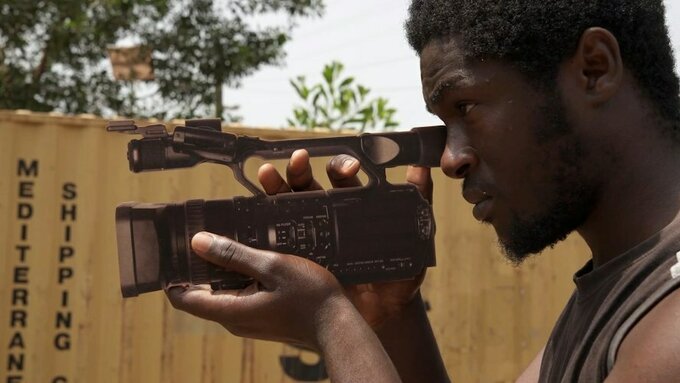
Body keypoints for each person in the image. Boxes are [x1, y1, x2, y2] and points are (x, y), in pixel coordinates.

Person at [167, 1, 680, 381]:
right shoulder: (615, 294)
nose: (451, 159)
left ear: (595, 68)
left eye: (466, 108)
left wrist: (330, 320)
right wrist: (388, 313)